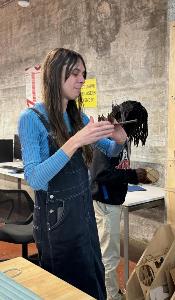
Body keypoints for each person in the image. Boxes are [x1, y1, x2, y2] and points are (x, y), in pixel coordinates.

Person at [18, 48, 128, 300]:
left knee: (92, 274)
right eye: (75, 73)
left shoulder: (78, 116)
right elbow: (34, 178)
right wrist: (75, 141)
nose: (81, 79)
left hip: (83, 210)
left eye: (83, 74)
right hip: (56, 218)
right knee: (66, 287)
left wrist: (120, 140)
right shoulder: (31, 118)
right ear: (55, 74)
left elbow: (109, 150)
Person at [89, 100, 150, 300]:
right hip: (105, 203)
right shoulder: (108, 137)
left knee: (108, 252)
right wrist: (133, 175)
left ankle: (108, 292)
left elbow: (117, 169)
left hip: (112, 201)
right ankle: (111, 296)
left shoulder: (123, 137)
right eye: (137, 125)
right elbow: (100, 174)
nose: (138, 131)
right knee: (109, 256)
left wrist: (132, 175)